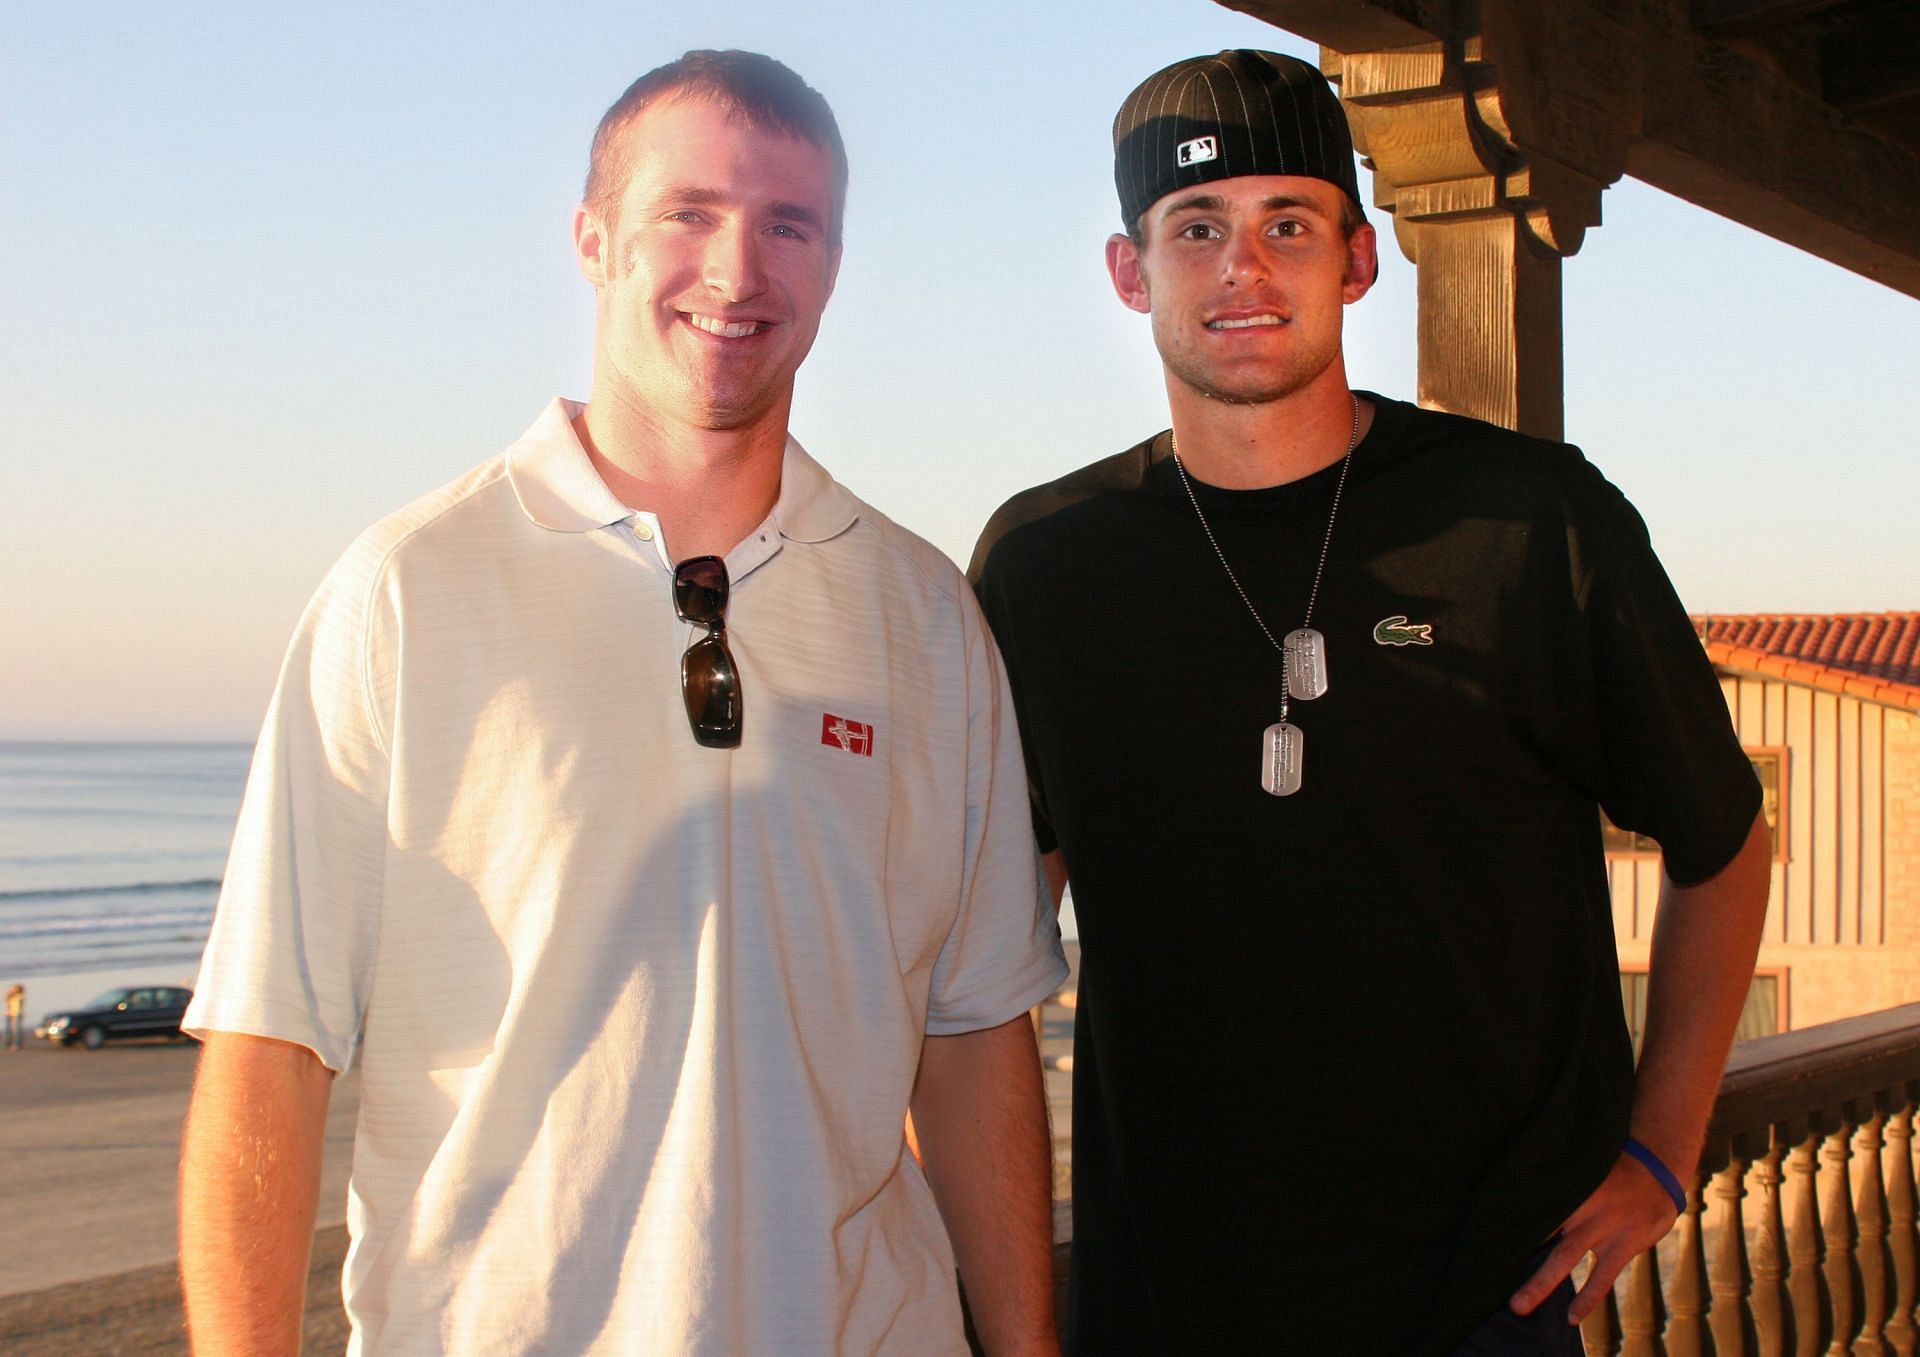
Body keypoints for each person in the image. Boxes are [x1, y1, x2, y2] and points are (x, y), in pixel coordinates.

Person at [180, 50, 1067, 1357]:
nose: (737, 270)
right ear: (593, 238)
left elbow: (974, 1035)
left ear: (832, 264)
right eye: (689, 213)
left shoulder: (924, 616)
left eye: (789, 225)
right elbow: (271, 1043)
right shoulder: (412, 589)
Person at [969, 50, 1772, 1356]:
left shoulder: (1531, 518)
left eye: (1288, 223)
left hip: (1487, 1302)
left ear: (1357, 259)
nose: (1243, 268)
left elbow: (1723, 840)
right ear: (1133, 274)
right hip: (1168, 1299)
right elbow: (988, 934)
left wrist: (1663, 1150)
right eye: (1197, 230)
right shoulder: (1046, 565)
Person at [4, 983, 23, 1050]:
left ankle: (17, 1044)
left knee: (16, 1030)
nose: (12, 990)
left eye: (14, 988)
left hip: (16, 1014)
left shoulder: (20, 996)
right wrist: (8, 993)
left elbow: (18, 1004)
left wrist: (11, 994)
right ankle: (7, 1043)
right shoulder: (11, 996)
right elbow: (6, 999)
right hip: (9, 1014)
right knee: (8, 1030)